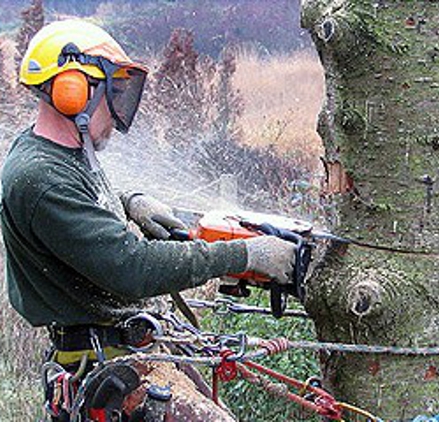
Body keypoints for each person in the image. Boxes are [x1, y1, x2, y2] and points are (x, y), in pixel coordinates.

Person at [0, 19, 296, 419]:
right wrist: (244, 255)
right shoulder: (39, 177)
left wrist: (129, 202)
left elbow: (78, 201)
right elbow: (132, 268)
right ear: (74, 91)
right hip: (106, 365)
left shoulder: (56, 155)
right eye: (113, 92)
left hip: (125, 347)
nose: (120, 108)